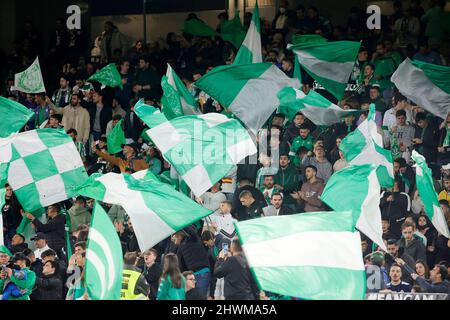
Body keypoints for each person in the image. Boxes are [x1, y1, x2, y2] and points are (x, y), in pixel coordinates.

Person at [171, 225, 210, 297]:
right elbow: (180, 266)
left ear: (179, 234)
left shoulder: (192, 239)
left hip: (202, 274)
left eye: (173, 235)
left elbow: (192, 232)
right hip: (192, 277)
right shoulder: (180, 247)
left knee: (200, 297)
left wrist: (180, 223)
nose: (171, 238)